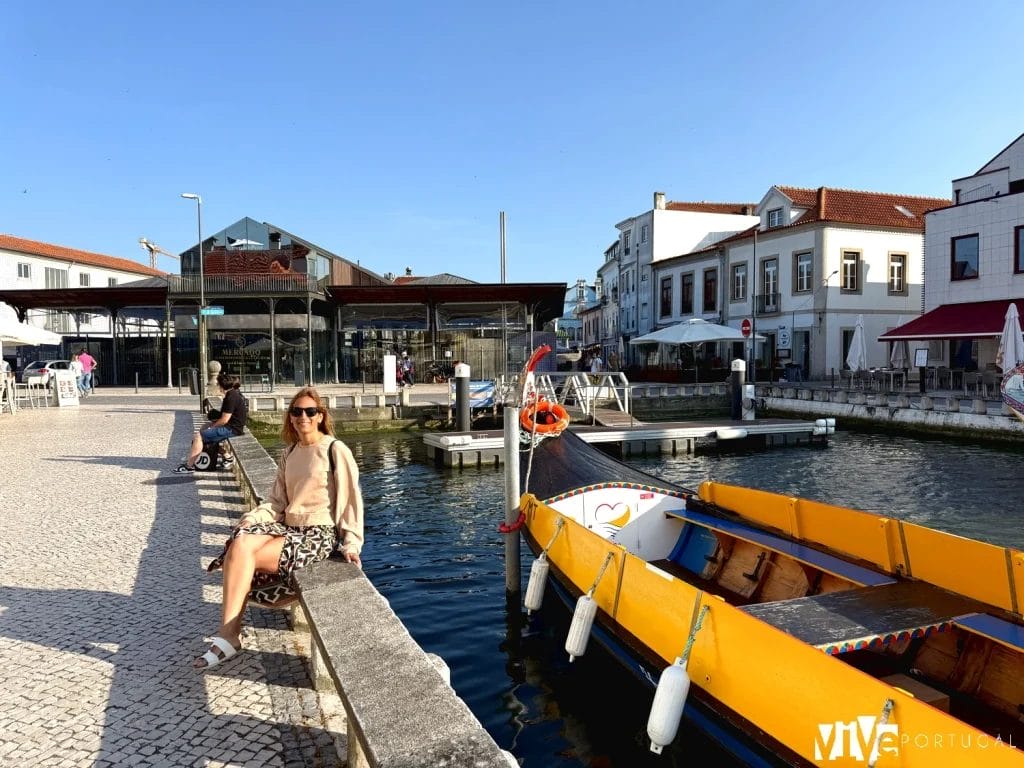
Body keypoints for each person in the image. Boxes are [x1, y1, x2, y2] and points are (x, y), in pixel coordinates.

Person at [194, 387, 364, 669]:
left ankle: (228, 636)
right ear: (291, 417)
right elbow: (277, 503)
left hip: (318, 535)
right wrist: (254, 517)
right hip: (290, 529)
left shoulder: (335, 450)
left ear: (321, 416)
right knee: (242, 542)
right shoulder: (290, 452)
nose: (303, 417)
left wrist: (352, 542)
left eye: (310, 411)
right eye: (296, 411)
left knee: (241, 555)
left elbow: (351, 501)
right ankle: (230, 634)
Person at [175, 372, 248, 473]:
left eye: (218, 384)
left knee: (199, 437)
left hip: (232, 429)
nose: (217, 386)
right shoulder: (232, 394)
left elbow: (224, 419)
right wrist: (209, 426)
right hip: (233, 426)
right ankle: (227, 457)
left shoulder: (231, 398)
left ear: (221, 385)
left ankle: (189, 466)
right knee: (204, 429)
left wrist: (212, 427)